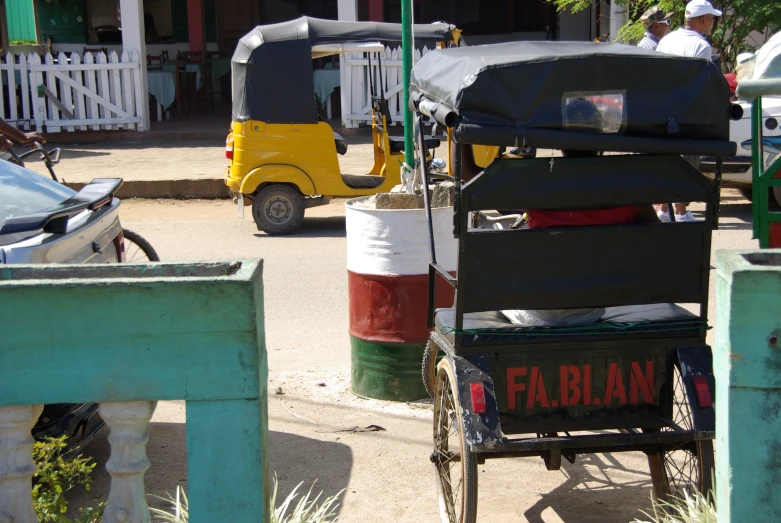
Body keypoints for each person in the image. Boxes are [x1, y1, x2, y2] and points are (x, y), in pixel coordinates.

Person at [655, 0, 722, 222]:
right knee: (687, 161)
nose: (712, 22)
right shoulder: (701, 46)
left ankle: (664, 209)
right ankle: (681, 212)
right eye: (711, 18)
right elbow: (699, 83)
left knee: (667, 160)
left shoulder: (666, 40)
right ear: (702, 20)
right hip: (686, 111)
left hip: (662, 108)